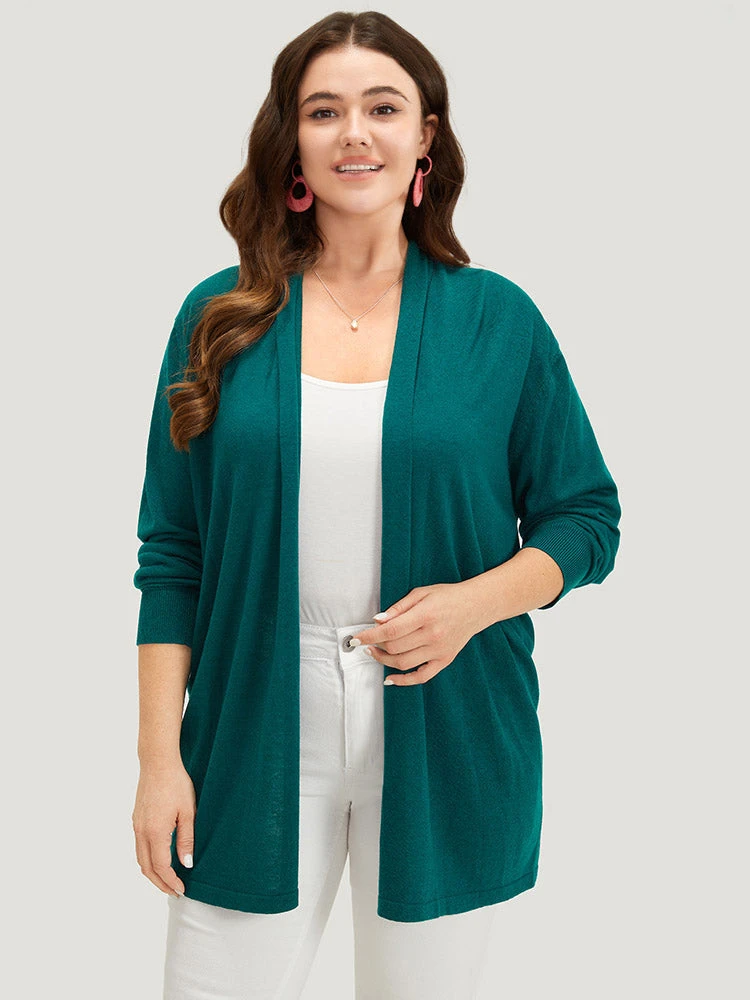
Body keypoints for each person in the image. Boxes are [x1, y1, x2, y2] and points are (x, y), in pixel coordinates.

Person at [132, 10, 621, 1000]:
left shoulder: (498, 321)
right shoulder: (219, 319)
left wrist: (474, 605)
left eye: (383, 108)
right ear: (293, 142)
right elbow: (173, 551)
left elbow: (585, 516)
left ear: (425, 136)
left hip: (450, 721)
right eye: (324, 111)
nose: (354, 133)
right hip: (252, 720)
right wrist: (157, 759)